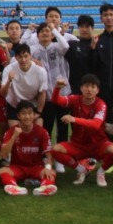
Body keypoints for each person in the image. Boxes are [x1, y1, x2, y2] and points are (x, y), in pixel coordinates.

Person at [50, 74, 113, 187]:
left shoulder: (101, 104)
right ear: (81, 88)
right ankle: (82, 169)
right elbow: (56, 100)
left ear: (97, 90)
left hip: (98, 144)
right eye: (86, 86)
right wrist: (57, 88)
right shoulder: (75, 99)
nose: (89, 89)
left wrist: (74, 119)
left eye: (93, 87)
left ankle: (101, 172)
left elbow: (96, 124)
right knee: (56, 150)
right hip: (78, 144)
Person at [31, 22, 71, 170]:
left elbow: (66, 45)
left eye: (48, 31)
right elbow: (21, 57)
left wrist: (55, 28)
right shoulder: (34, 50)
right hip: (45, 96)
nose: (45, 33)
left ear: (52, 34)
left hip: (62, 94)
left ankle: (60, 158)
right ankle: (46, 156)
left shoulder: (58, 47)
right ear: (38, 35)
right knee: (47, 128)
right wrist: (31, 60)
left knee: (63, 127)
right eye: (42, 32)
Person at [0, 101, 57, 196]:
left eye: (30, 113)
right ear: (18, 116)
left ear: (34, 115)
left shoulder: (42, 132)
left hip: (36, 167)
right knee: (2, 171)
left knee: (51, 172)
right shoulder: (11, 131)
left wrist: (48, 167)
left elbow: (49, 155)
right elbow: (3, 154)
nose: (27, 116)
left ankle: (44, 188)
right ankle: (14, 187)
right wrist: (14, 137)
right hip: (18, 167)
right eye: (24, 113)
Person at [0, 43, 47, 130]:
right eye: (20, 57)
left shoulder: (40, 71)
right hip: (14, 104)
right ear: (16, 57)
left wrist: (39, 112)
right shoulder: (9, 69)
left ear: (30, 55)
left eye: (26, 56)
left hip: (32, 104)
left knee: (37, 130)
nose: (23, 59)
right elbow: (3, 93)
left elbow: (42, 93)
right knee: (16, 133)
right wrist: (9, 81)